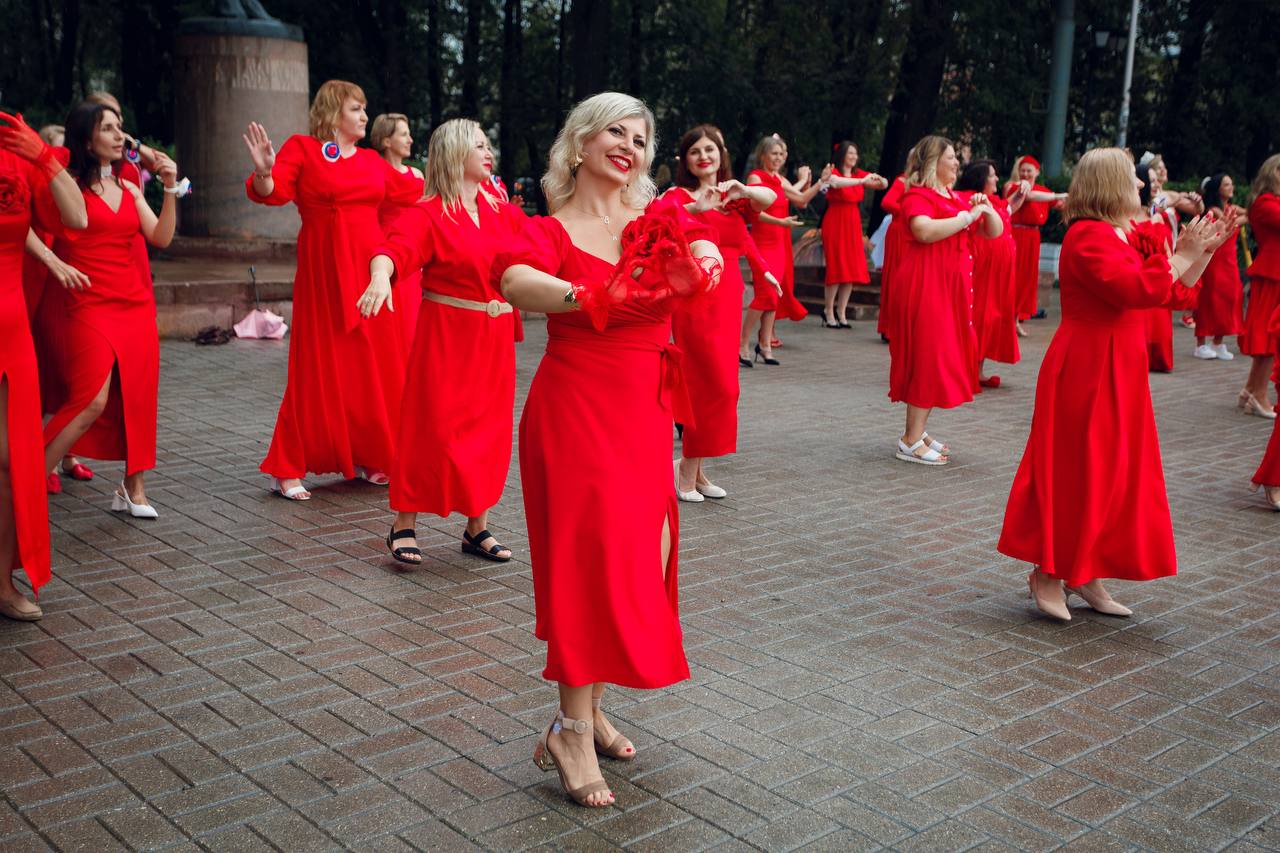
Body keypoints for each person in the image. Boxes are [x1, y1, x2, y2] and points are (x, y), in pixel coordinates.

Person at [493, 92, 721, 808]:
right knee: (589, 567)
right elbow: (513, 280)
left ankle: (589, 709)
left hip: (644, 412)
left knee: (641, 559)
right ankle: (570, 727)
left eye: (643, 137)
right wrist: (585, 297)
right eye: (616, 132)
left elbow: (705, 254)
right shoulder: (548, 227)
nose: (631, 145)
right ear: (581, 143)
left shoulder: (657, 221)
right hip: (577, 410)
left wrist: (708, 252)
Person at [1000, 148, 1232, 621]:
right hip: (1086, 367)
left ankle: (1085, 571)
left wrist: (1203, 252)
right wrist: (1184, 253)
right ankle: (1049, 571)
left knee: (1115, 473)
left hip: (1120, 366)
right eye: (1133, 177)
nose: (1143, 186)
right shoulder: (1087, 237)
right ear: (1110, 183)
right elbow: (1135, 289)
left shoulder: (1122, 233)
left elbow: (1171, 291)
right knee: (1078, 471)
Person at [357, 119, 527, 566]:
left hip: (493, 341)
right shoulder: (427, 212)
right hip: (447, 338)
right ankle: (403, 523)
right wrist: (380, 276)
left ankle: (477, 527)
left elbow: (541, 248)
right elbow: (393, 249)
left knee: (488, 432)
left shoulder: (503, 212)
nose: (489, 151)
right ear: (453, 154)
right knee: (431, 428)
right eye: (479, 145)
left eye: (489, 144)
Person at [243, 80, 421, 500]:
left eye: (364, 109)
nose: (364, 116)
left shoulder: (374, 162)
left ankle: (373, 456)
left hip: (369, 271)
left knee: (373, 364)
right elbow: (272, 193)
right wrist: (266, 172)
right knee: (317, 364)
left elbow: (416, 198)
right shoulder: (303, 149)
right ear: (333, 111)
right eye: (357, 109)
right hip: (324, 273)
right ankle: (286, 467)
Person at [41, 101, 180, 520]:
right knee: (91, 401)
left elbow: (161, 236)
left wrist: (171, 187)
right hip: (88, 305)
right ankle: (25, 476)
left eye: (121, 127)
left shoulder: (131, 187)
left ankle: (133, 488)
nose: (120, 136)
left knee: (139, 396)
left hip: (134, 305)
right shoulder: (68, 185)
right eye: (108, 128)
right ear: (87, 139)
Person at [0, 111, 87, 620]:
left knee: (11, 460)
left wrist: (41, 156)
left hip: (10, 326)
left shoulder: (17, 145)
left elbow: (75, 218)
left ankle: (3, 582)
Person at [664, 124, 777, 501]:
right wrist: (697, 207)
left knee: (725, 387)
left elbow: (756, 219)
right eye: (695, 151)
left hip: (729, 296)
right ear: (686, 160)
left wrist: (765, 273)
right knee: (708, 383)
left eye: (710, 149)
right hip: (695, 297)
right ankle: (685, 470)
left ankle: (696, 469)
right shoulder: (677, 195)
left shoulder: (734, 197)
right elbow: (660, 225)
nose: (704, 157)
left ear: (722, 153)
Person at [889, 136, 1002, 465]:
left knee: (938, 356)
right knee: (929, 357)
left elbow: (991, 232)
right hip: (927, 286)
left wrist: (985, 209)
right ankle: (910, 440)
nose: (956, 163)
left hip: (948, 289)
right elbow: (923, 230)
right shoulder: (919, 196)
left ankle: (918, 431)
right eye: (950, 157)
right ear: (932, 162)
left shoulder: (953, 197)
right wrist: (968, 217)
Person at [741, 134, 824, 360]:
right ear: (763, 155)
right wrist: (780, 221)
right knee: (765, 293)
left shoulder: (778, 179)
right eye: (774, 154)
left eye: (781, 154)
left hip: (780, 243)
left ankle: (765, 344)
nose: (778, 158)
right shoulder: (755, 178)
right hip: (762, 242)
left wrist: (819, 182)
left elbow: (801, 198)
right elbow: (754, 212)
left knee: (774, 293)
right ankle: (742, 342)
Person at [956, 160, 1023, 387]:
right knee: (980, 314)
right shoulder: (968, 199)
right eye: (992, 175)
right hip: (982, 268)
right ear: (981, 179)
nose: (996, 179)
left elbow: (1009, 208)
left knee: (991, 315)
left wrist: (1022, 192)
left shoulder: (993, 201)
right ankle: (967, 368)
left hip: (998, 272)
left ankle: (978, 368)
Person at [1134, 162, 1196, 373]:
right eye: (1150, 180)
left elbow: (1172, 198)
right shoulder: (1130, 214)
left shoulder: (1156, 210)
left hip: (1161, 269)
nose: (1154, 184)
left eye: (1155, 180)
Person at [370, 112, 426, 347]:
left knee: (410, 322)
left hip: (411, 255)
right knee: (387, 323)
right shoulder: (373, 171)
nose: (410, 139)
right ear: (386, 141)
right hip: (382, 251)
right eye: (404, 134)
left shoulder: (417, 175)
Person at [821, 141, 886, 328]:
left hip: (852, 223)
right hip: (835, 221)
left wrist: (879, 180)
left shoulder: (859, 174)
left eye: (855, 154)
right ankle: (828, 311)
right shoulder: (833, 172)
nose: (854, 157)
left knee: (849, 268)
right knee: (836, 266)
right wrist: (862, 181)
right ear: (842, 155)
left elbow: (883, 185)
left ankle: (841, 312)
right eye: (850, 153)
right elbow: (836, 183)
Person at [1004, 155, 1065, 331]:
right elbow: (1029, 196)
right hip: (1016, 233)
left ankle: (1017, 317)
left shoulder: (1043, 190)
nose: (1025, 173)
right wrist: (1057, 195)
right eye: (1022, 170)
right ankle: (1010, 318)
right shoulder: (1013, 187)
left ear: (1037, 172)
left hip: (1032, 237)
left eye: (1029, 170)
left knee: (1027, 278)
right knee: (1014, 275)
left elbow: (1060, 204)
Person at [1239, 155, 1280, 419]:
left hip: (1273, 273)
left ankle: (1251, 390)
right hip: (1273, 274)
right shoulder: (1265, 203)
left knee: (1269, 333)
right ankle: (1260, 396)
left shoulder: (1267, 203)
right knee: (1268, 335)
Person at [1192, 173, 1245, 361]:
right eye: (1226, 184)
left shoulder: (1231, 207)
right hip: (1214, 260)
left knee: (1229, 297)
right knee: (1209, 298)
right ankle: (1200, 344)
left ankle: (1218, 341)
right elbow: (1231, 223)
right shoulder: (1213, 209)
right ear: (1218, 189)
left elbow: (1247, 214)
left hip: (1230, 261)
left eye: (1231, 183)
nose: (1231, 187)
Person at [876, 164, 914, 343]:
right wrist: (909, 212)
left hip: (912, 233)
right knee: (896, 278)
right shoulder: (902, 181)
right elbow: (887, 202)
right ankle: (890, 327)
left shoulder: (922, 183)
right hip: (900, 233)